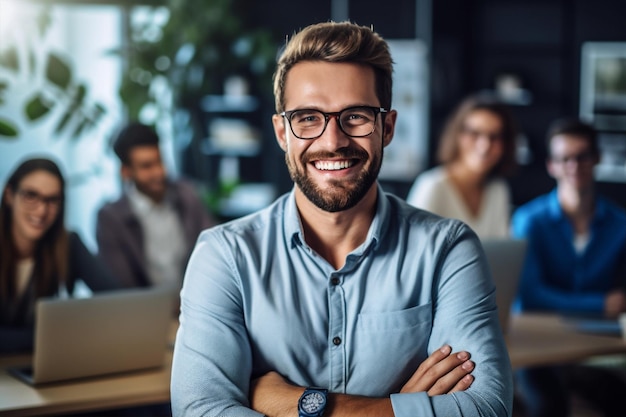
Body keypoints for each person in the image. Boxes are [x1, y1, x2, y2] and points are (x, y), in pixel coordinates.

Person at [171, 21, 512, 417]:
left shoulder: (448, 249)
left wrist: (298, 404)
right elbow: (200, 411)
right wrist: (402, 408)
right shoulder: (224, 256)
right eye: (308, 118)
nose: (332, 141)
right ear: (282, 132)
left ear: (386, 127)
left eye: (356, 117)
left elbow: (485, 408)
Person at [511, 117, 626, 417]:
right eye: (564, 158)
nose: (574, 166)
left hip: (595, 346)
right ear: (551, 165)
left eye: (582, 156)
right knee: (547, 407)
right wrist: (601, 303)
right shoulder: (529, 221)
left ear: (597, 158)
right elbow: (531, 296)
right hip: (540, 346)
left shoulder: (620, 224)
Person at [0, 157, 119, 354]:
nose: (42, 210)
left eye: (52, 200)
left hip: (40, 367)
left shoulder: (68, 245)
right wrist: (54, 336)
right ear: (10, 195)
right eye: (31, 195)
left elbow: (119, 302)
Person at [96, 122, 215, 289]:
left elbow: (213, 248)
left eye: (159, 161)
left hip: (195, 300)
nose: (158, 172)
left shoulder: (187, 195)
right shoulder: (112, 219)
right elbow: (121, 285)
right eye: (146, 166)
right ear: (126, 172)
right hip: (142, 309)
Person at [406, 93, 518, 238]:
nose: (484, 146)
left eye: (494, 137)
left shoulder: (498, 190)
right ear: (457, 135)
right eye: (474, 133)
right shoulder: (432, 186)